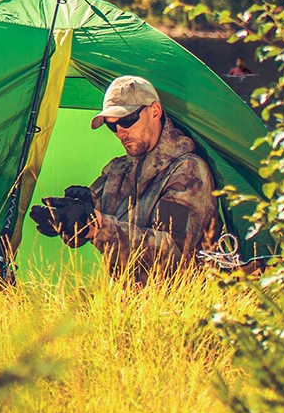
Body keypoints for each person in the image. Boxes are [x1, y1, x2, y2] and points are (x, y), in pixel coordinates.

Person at [29, 75, 221, 283]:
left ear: (155, 111)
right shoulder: (118, 169)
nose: (120, 132)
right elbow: (87, 226)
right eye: (112, 126)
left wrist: (97, 225)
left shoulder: (188, 171)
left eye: (127, 120)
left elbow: (174, 255)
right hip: (124, 304)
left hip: (177, 308)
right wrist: (68, 219)